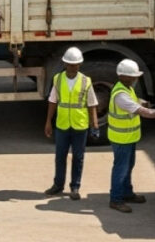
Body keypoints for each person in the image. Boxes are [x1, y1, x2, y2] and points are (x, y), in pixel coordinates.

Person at [107, 59, 155, 213]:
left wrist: (144, 102)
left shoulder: (126, 89)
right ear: (123, 76)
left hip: (129, 137)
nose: (135, 79)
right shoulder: (120, 95)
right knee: (121, 168)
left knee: (128, 166)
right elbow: (145, 113)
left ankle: (127, 193)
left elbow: (137, 103)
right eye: (133, 76)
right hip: (121, 139)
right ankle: (116, 199)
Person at [43, 47, 99, 201]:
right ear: (65, 64)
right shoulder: (58, 79)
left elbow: (92, 103)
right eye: (70, 64)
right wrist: (48, 121)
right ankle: (58, 185)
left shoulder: (86, 81)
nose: (73, 67)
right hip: (62, 125)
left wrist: (94, 124)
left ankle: (75, 186)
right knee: (60, 156)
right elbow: (53, 101)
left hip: (80, 125)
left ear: (80, 65)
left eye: (76, 64)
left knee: (78, 157)